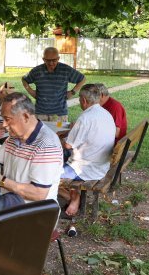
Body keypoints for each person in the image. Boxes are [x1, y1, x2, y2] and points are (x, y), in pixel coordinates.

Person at [59, 84, 116, 216]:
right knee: (59, 157)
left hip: (86, 168)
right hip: (101, 163)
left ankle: (72, 197)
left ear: (83, 100)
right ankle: (74, 195)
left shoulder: (85, 118)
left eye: (79, 99)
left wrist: (57, 139)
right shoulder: (106, 113)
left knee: (47, 174)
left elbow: (67, 145)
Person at [21, 47, 86, 122]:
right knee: (40, 133)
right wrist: (31, 91)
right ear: (43, 59)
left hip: (59, 114)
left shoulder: (65, 70)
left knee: (59, 133)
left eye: (54, 60)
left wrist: (72, 92)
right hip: (40, 114)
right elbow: (24, 79)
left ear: (58, 58)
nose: (51, 63)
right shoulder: (37, 71)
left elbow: (82, 79)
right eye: (48, 60)